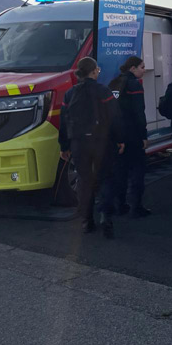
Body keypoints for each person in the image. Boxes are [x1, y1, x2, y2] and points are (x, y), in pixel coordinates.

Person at [58, 57, 124, 236]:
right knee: (106, 179)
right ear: (94, 71)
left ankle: (87, 221)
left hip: (79, 143)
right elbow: (115, 117)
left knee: (84, 181)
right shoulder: (104, 91)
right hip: (102, 142)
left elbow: (64, 121)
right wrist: (120, 139)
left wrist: (64, 146)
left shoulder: (70, 94)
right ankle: (105, 216)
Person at [109, 56, 151, 217]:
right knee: (137, 171)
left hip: (117, 135)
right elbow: (139, 112)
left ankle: (120, 205)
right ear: (132, 68)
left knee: (120, 171)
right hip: (133, 134)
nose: (144, 70)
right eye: (142, 67)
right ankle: (137, 207)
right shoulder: (134, 85)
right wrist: (144, 135)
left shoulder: (114, 83)